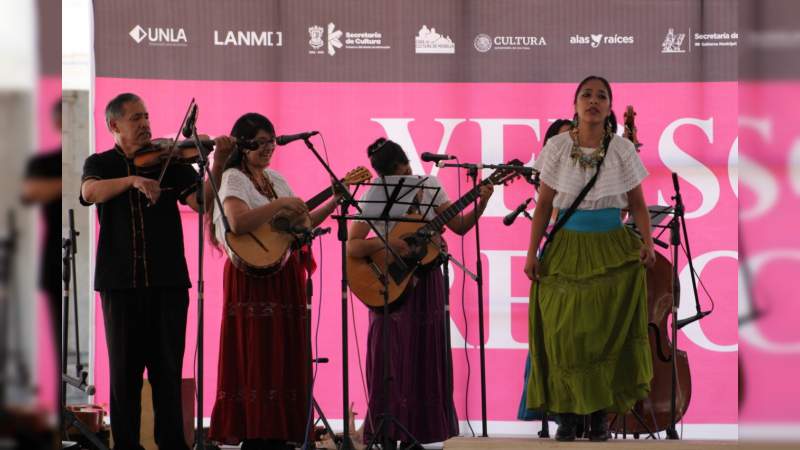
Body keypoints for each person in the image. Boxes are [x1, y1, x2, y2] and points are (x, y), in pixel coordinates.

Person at [79, 93, 230, 450]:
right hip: (120, 285)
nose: (145, 124)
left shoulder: (172, 163)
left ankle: (172, 445)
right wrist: (133, 181)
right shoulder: (100, 162)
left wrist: (220, 162)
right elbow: (89, 192)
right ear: (114, 126)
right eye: (135, 118)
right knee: (124, 378)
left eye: (146, 116)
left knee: (167, 375)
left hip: (167, 283)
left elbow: (203, 201)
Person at [523, 76, 655, 442]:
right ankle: (566, 416)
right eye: (586, 95)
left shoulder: (622, 150)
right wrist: (532, 253)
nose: (593, 101)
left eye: (601, 96)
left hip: (612, 246)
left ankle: (598, 419)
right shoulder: (557, 146)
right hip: (566, 246)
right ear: (575, 103)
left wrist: (648, 243)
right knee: (563, 333)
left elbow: (639, 205)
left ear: (610, 106)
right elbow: (544, 205)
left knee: (604, 334)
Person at [347, 138, 493, 449]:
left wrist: (483, 200)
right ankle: (386, 430)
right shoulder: (377, 190)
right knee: (392, 354)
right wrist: (387, 244)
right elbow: (354, 244)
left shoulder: (429, 186)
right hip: (391, 283)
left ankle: (419, 432)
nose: (407, 176)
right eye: (400, 173)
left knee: (423, 352)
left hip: (426, 281)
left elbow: (460, 226)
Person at [207, 113, 339, 450]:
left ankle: (279, 430)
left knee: (282, 350)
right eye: (262, 142)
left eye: (272, 141)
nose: (269, 148)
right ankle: (255, 431)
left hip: (283, 273)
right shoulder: (234, 177)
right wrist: (279, 205)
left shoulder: (276, 179)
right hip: (251, 277)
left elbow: (302, 223)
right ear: (245, 144)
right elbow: (237, 223)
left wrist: (336, 200)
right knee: (257, 349)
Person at [516, 118, 572, 423]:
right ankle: (557, 407)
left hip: (584, 256)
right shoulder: (549, 182)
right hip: (555, 258)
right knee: (554, 334)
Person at [22, 99, 62, 356]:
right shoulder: (44, 162)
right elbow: (29, 193)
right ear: (57, 122)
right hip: (54, 256)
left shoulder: (92, 162)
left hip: (98, 256)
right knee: (59, 340)